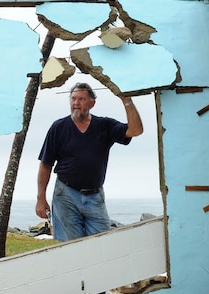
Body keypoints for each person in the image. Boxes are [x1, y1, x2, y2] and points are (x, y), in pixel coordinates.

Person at [35, 82, 143, 241]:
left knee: (102, 243)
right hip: (65, 194)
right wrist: (41, 198)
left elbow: (136, 130)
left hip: (95, 195)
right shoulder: (58, 127)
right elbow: (45, 164)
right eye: (73, 99)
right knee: (70, 247)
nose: (76, 103)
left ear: (92, 103)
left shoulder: (105, 125)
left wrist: (126, 100)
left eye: (81, 99)